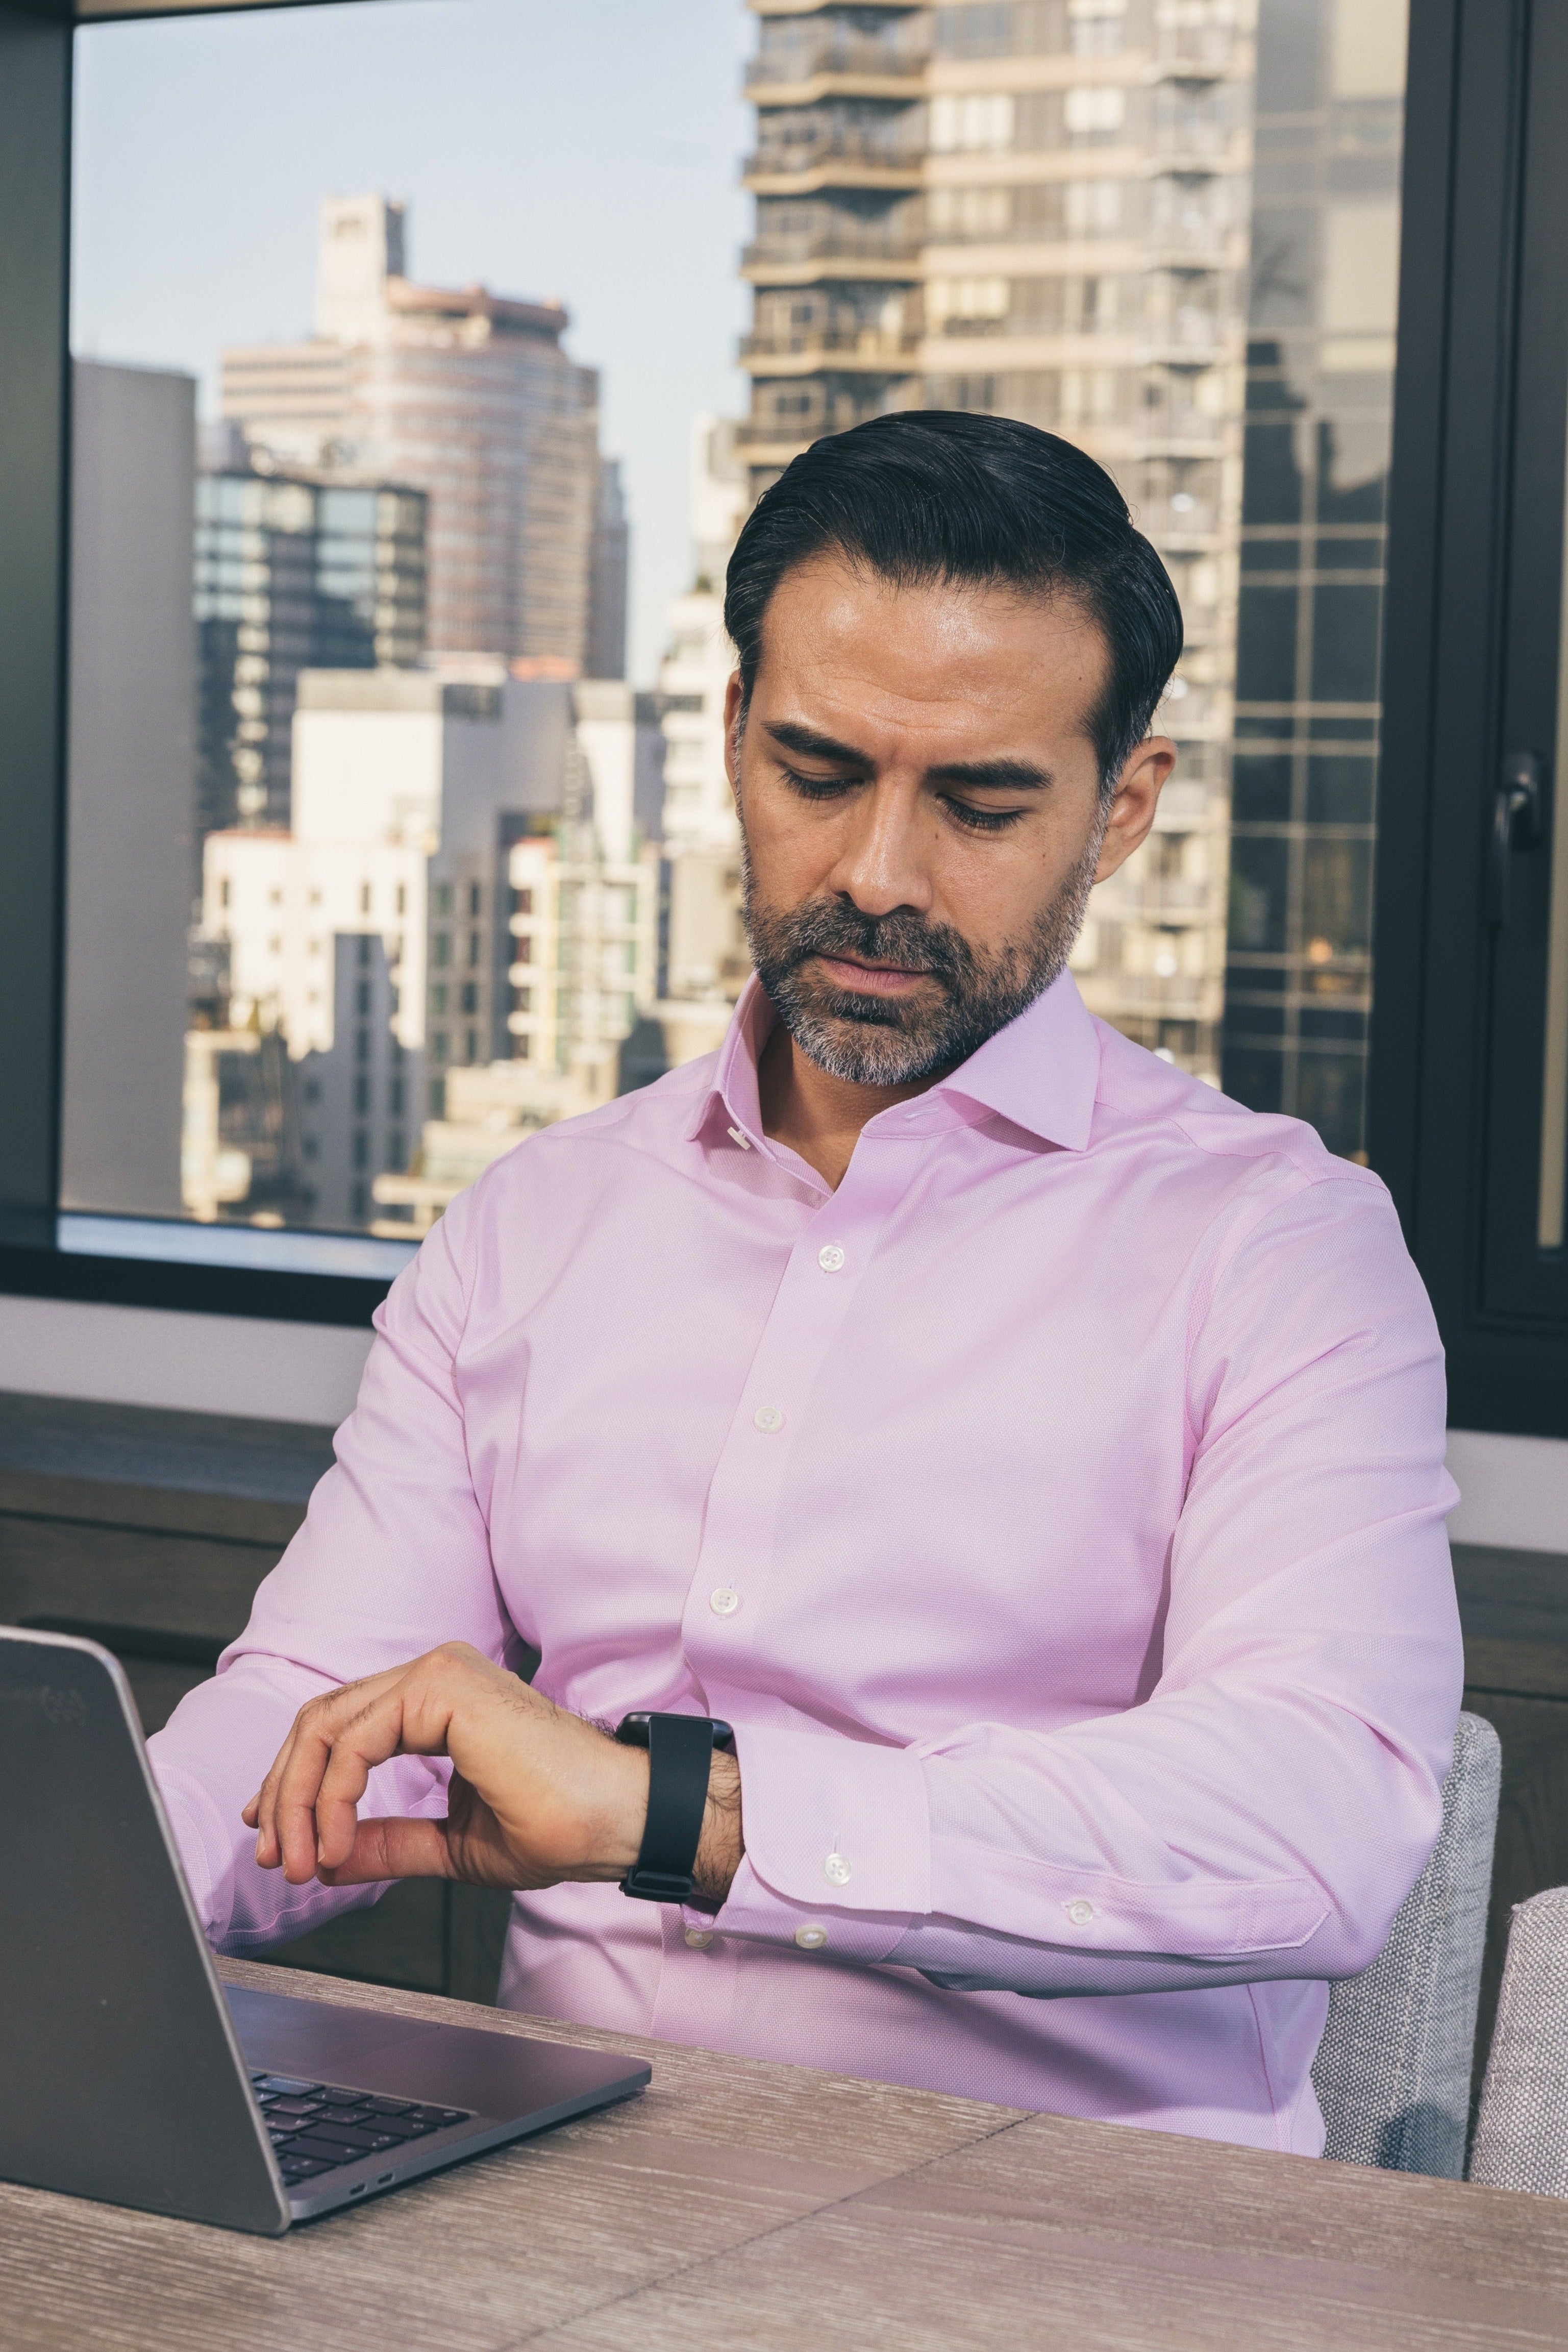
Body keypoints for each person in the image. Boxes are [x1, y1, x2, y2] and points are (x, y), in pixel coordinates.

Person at [151, 412, 1462, 2156]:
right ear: (731, 737)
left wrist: (675, 1811)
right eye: (820, 771)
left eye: (982, 802)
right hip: (557, 2197)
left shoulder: (1280, 1248)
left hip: (1091, 2253)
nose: (875, 874)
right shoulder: (535, 1224)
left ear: (1121, 807)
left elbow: (1315, 1817)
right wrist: (95, 1869)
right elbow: (314, 1706)